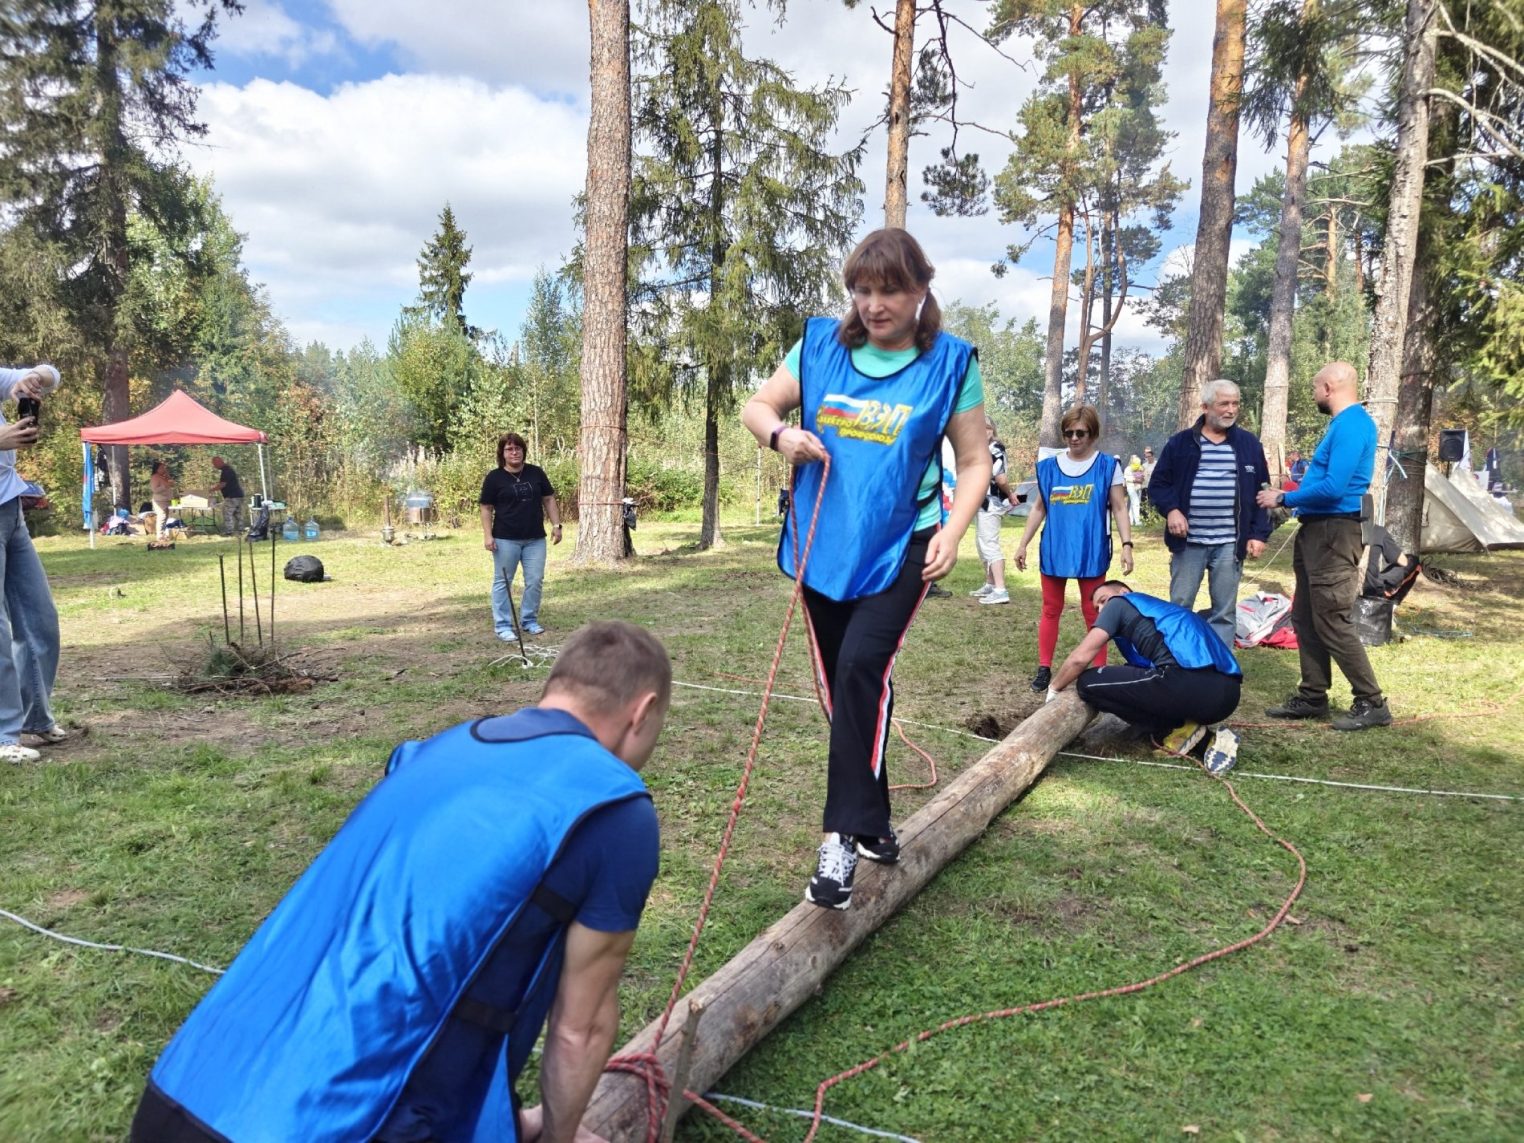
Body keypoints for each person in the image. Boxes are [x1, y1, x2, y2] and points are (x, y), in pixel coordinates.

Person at [131, 620, 670, 1143]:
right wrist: (559, 1135)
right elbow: (580, 1029)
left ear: (555, 687)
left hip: (176, 1097)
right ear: (642, 712)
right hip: (340, 1126)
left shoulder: (437, 750)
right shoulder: (614, 809)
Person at [741, 228, 991, 910]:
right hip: (824, 545)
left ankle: (840, 839)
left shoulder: (950, 363)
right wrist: (781, 435)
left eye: (890, 291)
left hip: (904, 545)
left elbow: (975, 462)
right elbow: (757, 406)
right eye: (862, 290)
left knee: (859, 669)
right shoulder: (820, 346)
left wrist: (954, 531)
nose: (874, 305)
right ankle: (875, 819)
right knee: (843, 686)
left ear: (922, 289)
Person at [1256, 361, 1392, 730]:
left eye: (1316, 388)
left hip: (1335, 532)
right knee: (1304, 616)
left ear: (1329, 387)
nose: (1315, 394)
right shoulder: (1342, 425)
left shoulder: (1352, 425)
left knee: (1332, 617)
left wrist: (1284, 498)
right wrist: (1293, 497)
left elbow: (1334, 488)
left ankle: (1372, 702)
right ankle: (1313, 696)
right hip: (1318, 531)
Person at [1049, 580, 1241, 775]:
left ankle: (1170, 729)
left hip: (1189, 681)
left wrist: (1053, 689)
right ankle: (1204, 741)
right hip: (1228, 694)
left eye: (1103, 600)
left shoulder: (1119, 603)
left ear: (1123, 592)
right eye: (1097, 608)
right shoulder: (1159, 611)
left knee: (1088, 682)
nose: (1101, 610)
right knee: (1128, 681)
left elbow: (1079, 660)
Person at [1014, 405, 1134, 693]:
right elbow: (1039, 508)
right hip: (1055, 549)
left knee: (1095, 612)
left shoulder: (1107, 466)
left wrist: (1127, 545)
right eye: (1068, 433)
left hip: (1090, 550)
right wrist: (1022, 544)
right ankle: (1044, 667)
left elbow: (1119, 507)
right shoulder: (1048, 468)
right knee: (1050, 608)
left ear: (1092, 434)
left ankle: (1099, 670)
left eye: (1080, 433)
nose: (1074, 438)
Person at [1147, 379, 1271, 649]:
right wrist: (1172, 510)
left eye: (1235, 403)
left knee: (1224, 613)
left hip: (1229, 543)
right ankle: (1176, 660)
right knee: (1180, 606)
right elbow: (1158, 485)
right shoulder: (1180, 444)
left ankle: (1221, 668)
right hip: (1189, 542)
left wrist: (1258, 534)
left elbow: (1263, 493)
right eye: (1224, 404)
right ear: (1205, 407)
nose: (1231, 410)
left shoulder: (1249, 444)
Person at [0, 364, 67, 764]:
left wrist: (34, 379)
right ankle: (3, 734)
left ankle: (34, 717)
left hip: (10, 509)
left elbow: (51, 374)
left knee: (39, 619)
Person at [480, 432, 562, 639]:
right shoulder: (494, 478)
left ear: (523, 451)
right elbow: (486, 508)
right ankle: (503, 626)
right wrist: (488, 536)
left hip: (535, 539)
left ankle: (529, 620)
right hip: (505, 539)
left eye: (518, 448)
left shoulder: (536, 473)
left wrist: (556, 525)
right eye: (509, 449)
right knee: (503, 581)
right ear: (502, 453)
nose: (514, 452)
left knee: (535, 580)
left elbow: (549, 499)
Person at [970, 414, 1020, 605]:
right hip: (981, 502)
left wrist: (1010, 494)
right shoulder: (981, 449)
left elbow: (1001, 479)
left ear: (993, 430)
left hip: (992, 502)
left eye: (987, 427)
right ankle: (991, 583)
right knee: (982, 542)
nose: (984, 431)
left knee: (989, 544)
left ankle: (1000, 589)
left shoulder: (995, 449)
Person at [209, 456, 245, 535]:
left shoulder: (226, 471)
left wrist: (211, 489)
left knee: (227, 513)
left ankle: (229, 531)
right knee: (237, 514)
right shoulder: (228, 469)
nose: (214, 466)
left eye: (214, 464)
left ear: (219, 462)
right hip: (238, 495)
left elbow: (222, 484)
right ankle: (241, 529)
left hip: (232, 496)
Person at [149, 459, 175, 538]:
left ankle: (164, 533)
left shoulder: (164, 476)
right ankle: (159, 535)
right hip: (159, 501)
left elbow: (172, 483)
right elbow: (155, 490)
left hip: (167, 499)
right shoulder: (155, 477)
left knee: (166, 517)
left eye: (164, 468)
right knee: (162, 516)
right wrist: (165, 486)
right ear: (157, 469)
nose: (164, 469)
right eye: (162, 468)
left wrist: (167, 475)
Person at [1125, 454, 1145, 525]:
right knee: (1136, 503)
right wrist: (1135, 480)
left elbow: (1141, 478)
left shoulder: (1139, 468)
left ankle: (1131, 520)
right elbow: (1126, 479)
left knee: (1134, 504)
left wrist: (1140, 478)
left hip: (1138, 488)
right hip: (1131, 488)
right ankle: (1137, 521)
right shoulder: (1128, 469)